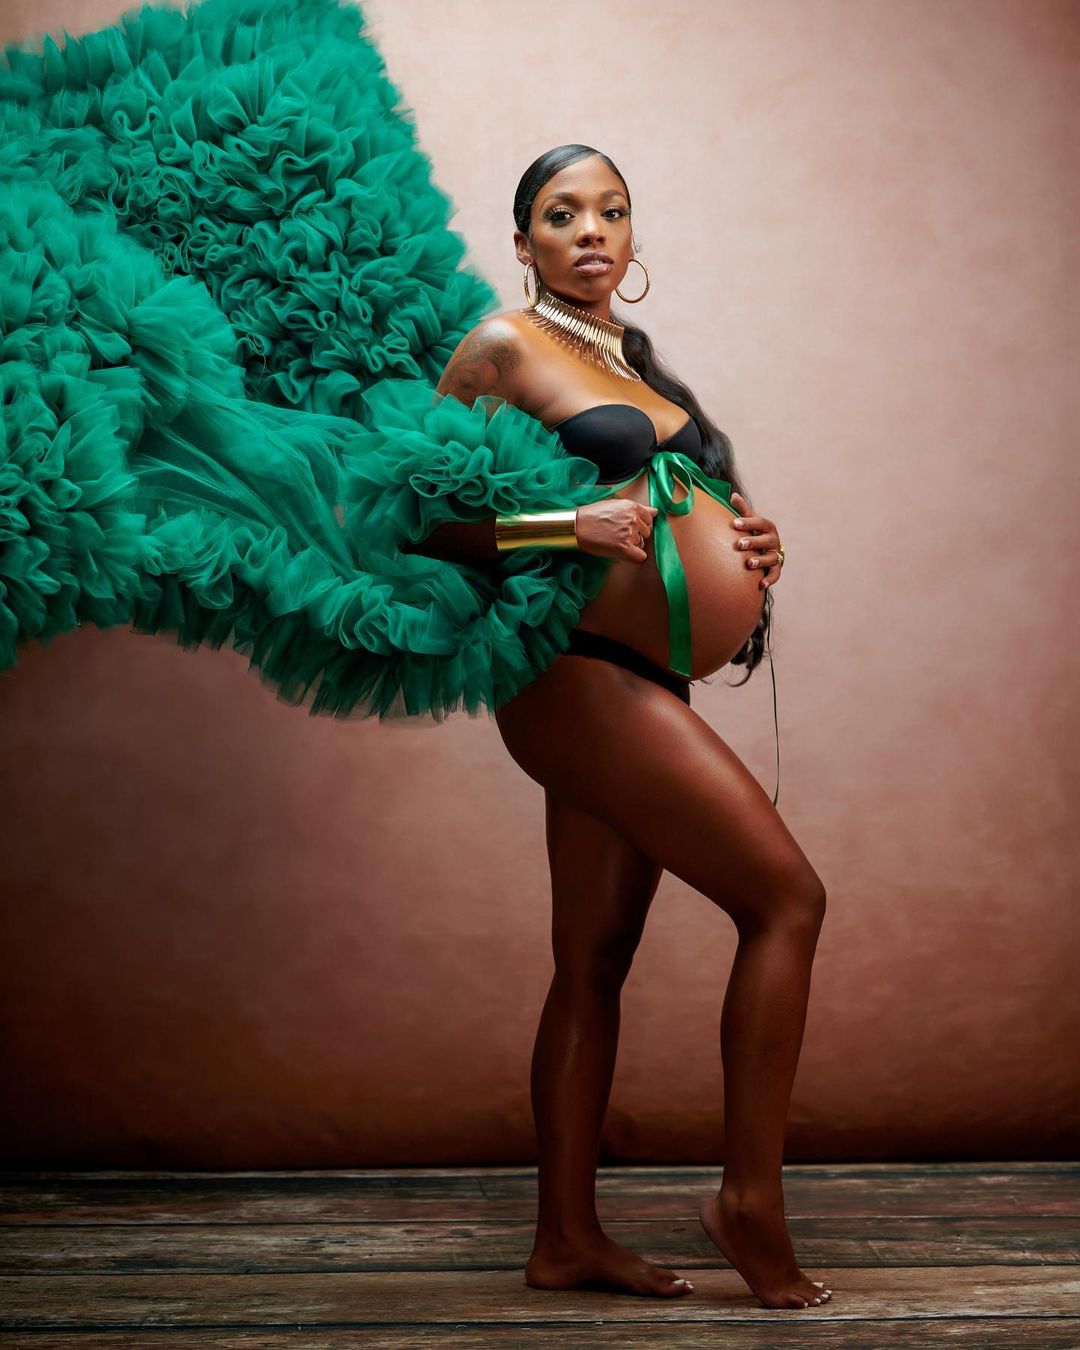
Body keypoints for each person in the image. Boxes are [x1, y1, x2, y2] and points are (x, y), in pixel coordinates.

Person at [411, 145, 831, 1311]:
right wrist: (563, 529)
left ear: (632, 235)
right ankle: (750, 1202)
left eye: (611, 210)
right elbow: (406, 516)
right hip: (573, 672)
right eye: (562, 213)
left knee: (592, 961)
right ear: (524, 241)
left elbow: (691, 503)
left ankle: (564, 1239)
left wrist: (755, 542)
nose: (591, 229)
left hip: (646, 675)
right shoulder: (502, 346)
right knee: (787, 900)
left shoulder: (632, 359)